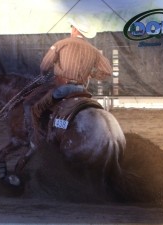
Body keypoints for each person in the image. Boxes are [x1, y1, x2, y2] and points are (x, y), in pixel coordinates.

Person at [23, 16, 113, 147]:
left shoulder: (61, 44)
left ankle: (36, 143)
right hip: (82, 90)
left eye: (72, 27)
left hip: (62, 88)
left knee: (35, 108)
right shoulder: (93, 50)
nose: (71, 29)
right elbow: (107, 71)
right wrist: (91, 74)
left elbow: (44, 66)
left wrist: (45, 73)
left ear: (75, 29)